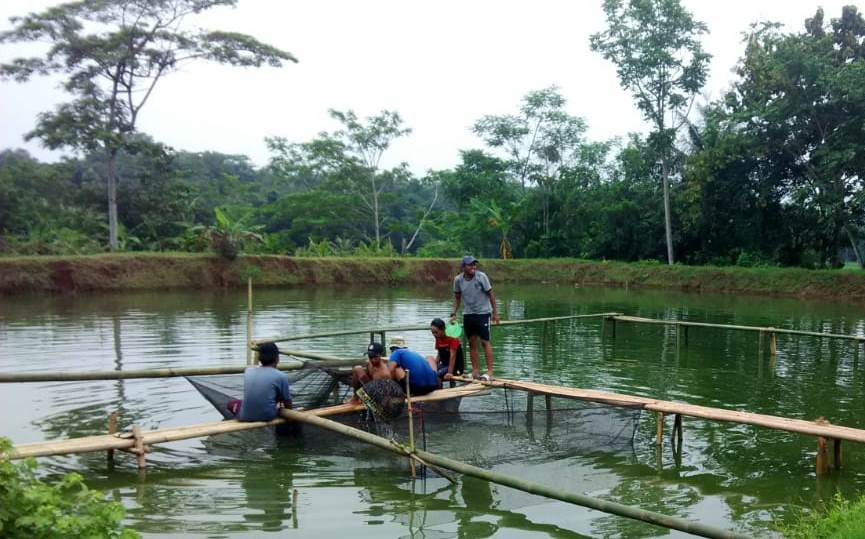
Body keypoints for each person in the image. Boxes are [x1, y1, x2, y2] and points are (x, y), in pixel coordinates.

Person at [451, 255, 500, 381]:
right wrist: (453, 313)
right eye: (470, 265)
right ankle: (475, 371)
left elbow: (491, 295)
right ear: (463, 267)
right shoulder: (458, 280)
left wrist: (495, 313)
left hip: (483, 313)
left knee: (485, 341)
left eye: (474, 264)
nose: (473, 267)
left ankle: (489, 372)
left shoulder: (481, 277)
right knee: (472, 342)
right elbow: (457, 298)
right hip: (468, 314)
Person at [235, 342, 292, 421]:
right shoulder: (281, 376)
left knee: (232, 404)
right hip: (268, 416)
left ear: (259, 358)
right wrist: (290, 414)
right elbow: (287, 402)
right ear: (277, 358)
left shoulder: (248, 371)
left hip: (244, 416)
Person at [429, 317, 464, 382]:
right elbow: (439, 355)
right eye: (433, 333)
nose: (434, 335)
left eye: (436, 332)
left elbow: (452, 357)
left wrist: (449, 373)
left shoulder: (453, 338)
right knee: (429, 372)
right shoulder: (438, 338)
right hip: (444, 365)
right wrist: (434, 365)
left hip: (455, 366)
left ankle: (438, 388)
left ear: (443, 330)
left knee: (437, 375)